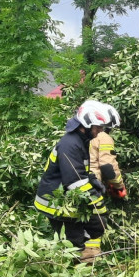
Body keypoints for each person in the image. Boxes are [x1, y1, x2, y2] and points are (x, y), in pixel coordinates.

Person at [35, 100, 112, 264]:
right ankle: (74, 273)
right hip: (57, 203)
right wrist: (97, 203)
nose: (100, 132)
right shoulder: (70, 144)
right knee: (73, 244)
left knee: (98, 225)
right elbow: (75, 181)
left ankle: (87, 258)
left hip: (70, 198)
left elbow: (80, 170)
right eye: (97, 127)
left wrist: (92, 180)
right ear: (86, 124)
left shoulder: (81, 141)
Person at [89, 104, 127, 202]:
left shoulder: (88, 135)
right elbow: (108, 166)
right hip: (93, 183)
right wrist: (119, 186)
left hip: (82, 178)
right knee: (100, 215)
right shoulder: (104, 137)